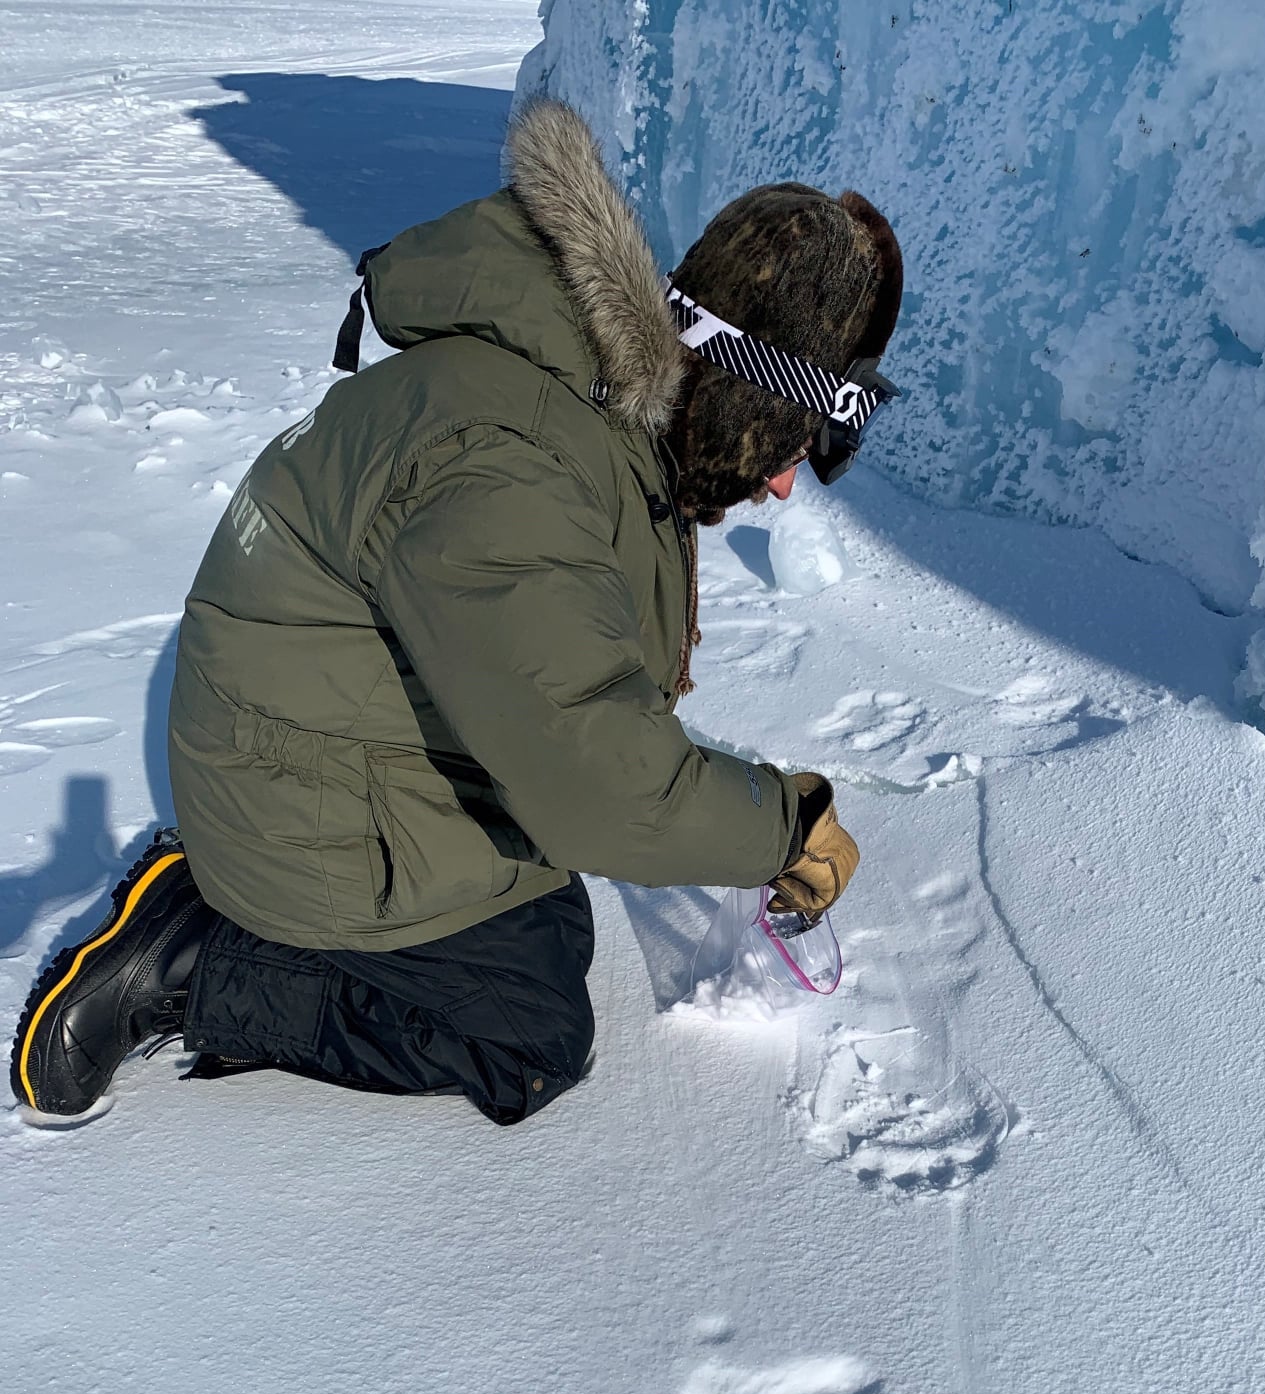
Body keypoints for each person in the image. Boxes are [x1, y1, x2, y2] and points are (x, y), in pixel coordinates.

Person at [9, 98, 903, 1125]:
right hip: (293, 804)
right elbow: (597, 785)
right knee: (524, 1038)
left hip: (323, 747)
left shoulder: (585, 403)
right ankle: (190, 953)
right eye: (794, 448)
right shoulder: (516, 466)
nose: (787, 489)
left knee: (545, 923)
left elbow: (573, 693)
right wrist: (777, 823)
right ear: (751, 400)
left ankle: (245, 900)